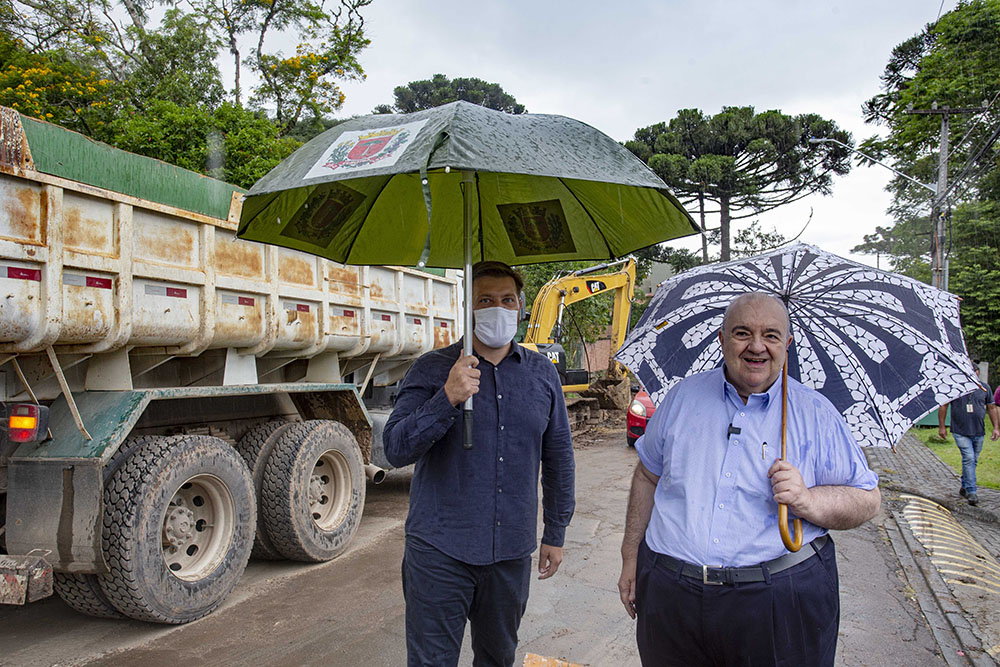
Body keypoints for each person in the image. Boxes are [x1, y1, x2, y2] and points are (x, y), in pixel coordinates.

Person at [617, 292, 881, 667]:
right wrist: (631, 555)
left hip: (778, 603)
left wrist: (809, 500)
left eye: (771, 335)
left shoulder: (816, 413)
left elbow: (867, 499)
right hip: (670, 596)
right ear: (721, 339)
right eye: (742, 333)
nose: (757, 347)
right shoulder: (681, 399)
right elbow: (646, 475)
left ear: (786, 344)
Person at [384, 260, 575, 667]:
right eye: (485, 299)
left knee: (497, 658)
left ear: (521, 307)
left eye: (507, 299)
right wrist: (447, 397)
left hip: (509, 554)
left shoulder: (542, 374)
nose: (498, 308)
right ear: (468, 308)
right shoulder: (433, 369)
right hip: (439, 552)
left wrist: (555, 531)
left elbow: (559, 456)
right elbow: (396, 448)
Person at [937, 365, 998, 507]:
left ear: (978, 374)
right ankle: (972, 491)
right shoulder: (956, 387)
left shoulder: (984, 388)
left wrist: (996, 428)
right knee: (969, 458)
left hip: (979, 431)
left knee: (973, 461)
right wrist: (941, 427)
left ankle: (964, 486)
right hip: (960, 430)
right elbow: (944, 406)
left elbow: (992, 407)